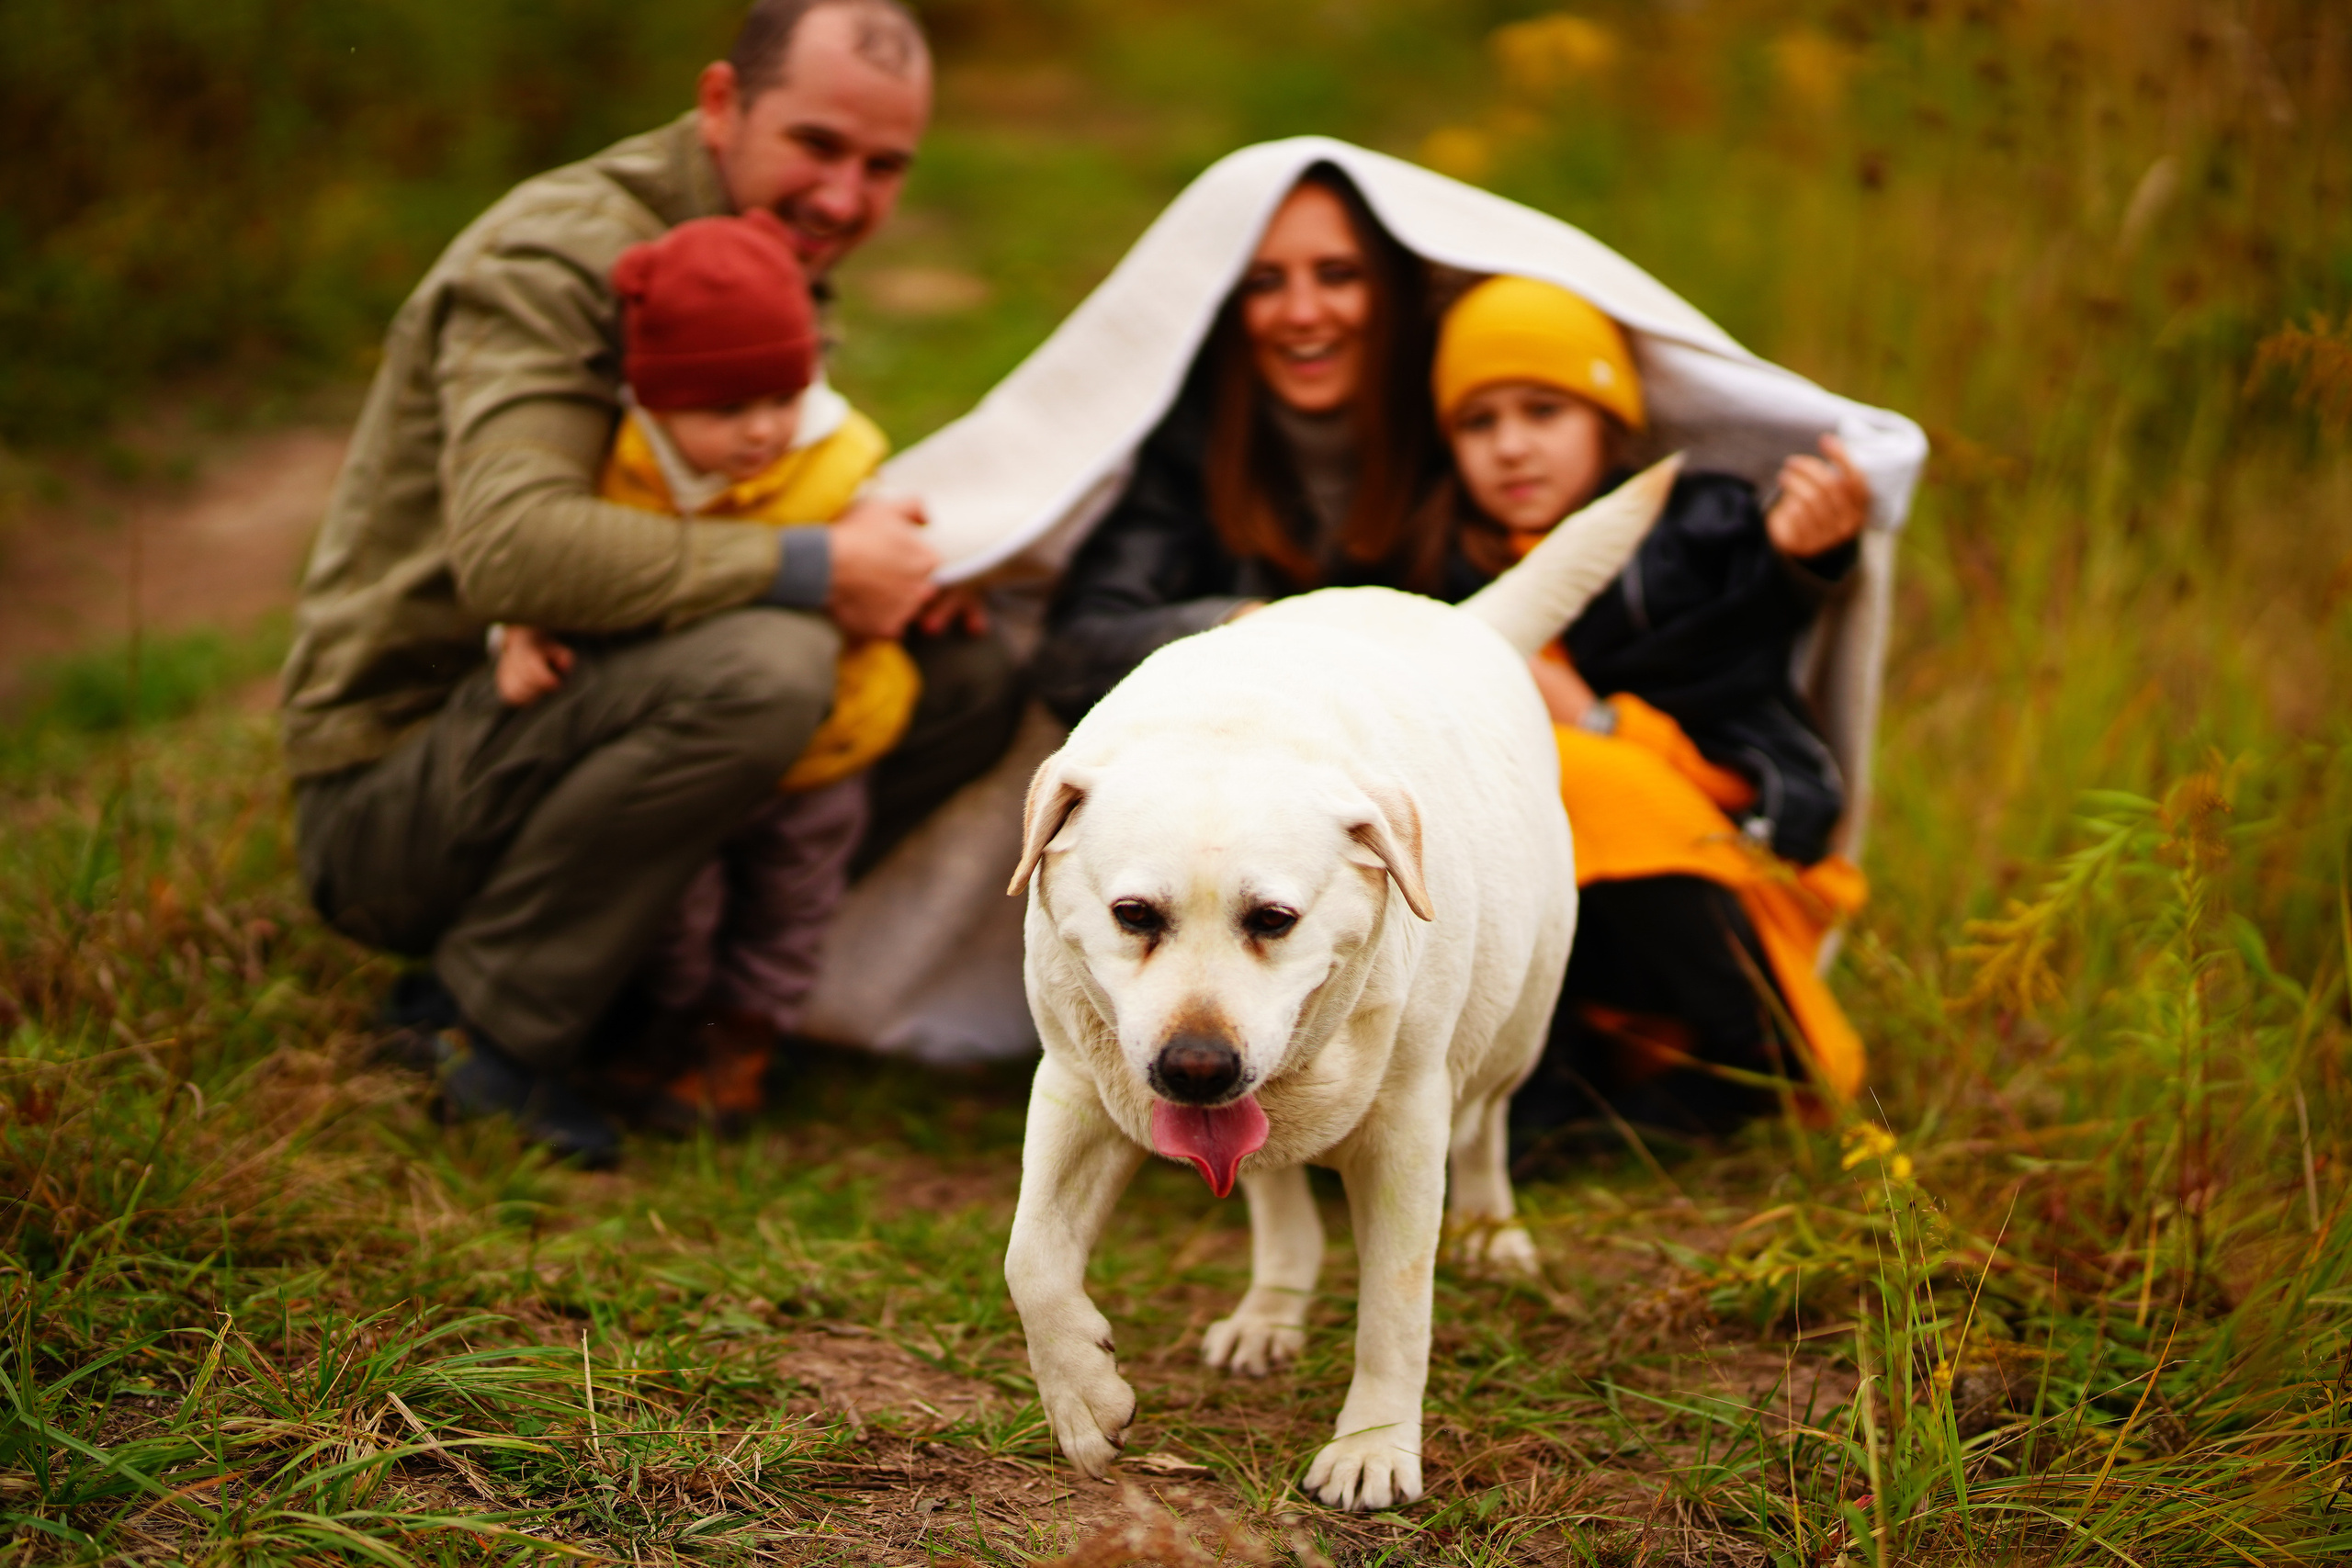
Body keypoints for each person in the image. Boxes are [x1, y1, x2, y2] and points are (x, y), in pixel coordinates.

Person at [279, 0, 1022, 1168]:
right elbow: (515, 553)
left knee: (965, 668)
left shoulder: (758, 242)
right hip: (403, 789)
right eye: (818, 146)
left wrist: (895, 565)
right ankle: (481, 1026)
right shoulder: (564, 255)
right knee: (773, 664)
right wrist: (820, 566)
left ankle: (686, 998)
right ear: (721, 102)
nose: (844, 197)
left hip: (574, 715)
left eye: (884, 167)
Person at [492, 209, 916, 1136]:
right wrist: (519, 630)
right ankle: (670, 1024)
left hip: (823, 747)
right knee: (680, 907)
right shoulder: (620, 472)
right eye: (726, 411)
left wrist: (926, 573)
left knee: (786, 909)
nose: (763, 431)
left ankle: (742, 1045)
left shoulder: (837, 454)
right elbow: (569, 566)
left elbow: (897, 540)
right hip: (696, 757)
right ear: (654, 400)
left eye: (781, 398)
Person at [1429, 276, 1873, 1137]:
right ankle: (1536, 1089)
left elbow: (1732, 639)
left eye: (1543, 412)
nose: (1511, 447)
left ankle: (1754, 1051)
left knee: (1585, 777)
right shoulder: (1458, 574)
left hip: (1722, 851)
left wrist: (1798, 558)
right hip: (1576, 909)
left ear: (1611, 422)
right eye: (1479, 423)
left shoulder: (1688, 531)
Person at [1031, 164, 1472, 721]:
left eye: (1337, 274)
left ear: (1395, 289)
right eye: (1264, 283)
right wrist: (1245, 629)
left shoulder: (1472, 434)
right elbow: (1073, 652)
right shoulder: (1188, 439)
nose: (1303, 314)